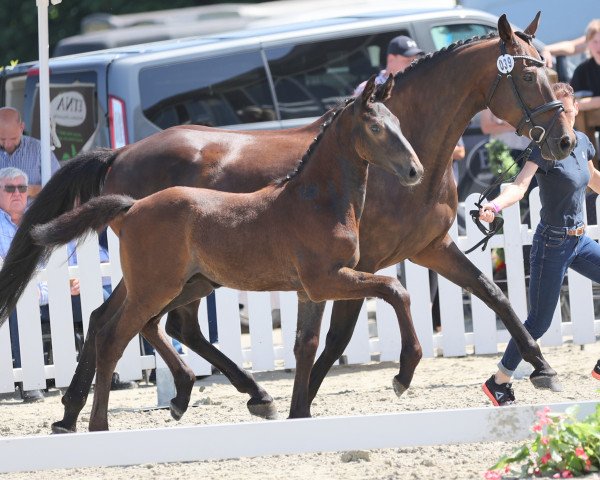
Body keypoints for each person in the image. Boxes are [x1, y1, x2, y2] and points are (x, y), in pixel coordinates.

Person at [478, 83, 600, 406]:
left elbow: (593, 178)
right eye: (556, 109)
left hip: (580, 240)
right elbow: (519, 187)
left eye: (567, 107)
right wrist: (494, 206)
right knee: (539, 321)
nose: (563, 113)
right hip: (552, 243)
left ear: (575, 107)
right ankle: (499, 381)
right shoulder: (544, 147)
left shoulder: (583, 142)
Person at [0, 167, 48, 402]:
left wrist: (52, 288)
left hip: (46, 292)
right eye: (9, 188)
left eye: (22, 188)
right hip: (10, 295)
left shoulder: (40, 221)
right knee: (20, 302)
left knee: (99, 294)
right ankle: (31, 382)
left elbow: (56, 263)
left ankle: (115, 373)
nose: (17, 193)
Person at [0, 107, 60, 198]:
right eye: (2, 139)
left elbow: (60, 186)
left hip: (32, 211)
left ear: (22, 128)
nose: (8, 144)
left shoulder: (40, 149)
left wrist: (32, 190)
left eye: (13, 138)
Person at [353, 34, 424, 95]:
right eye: (408, 60)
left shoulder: (418, 84)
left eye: (415, 60)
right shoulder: (367, 88)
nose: (413, 64)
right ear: (391, 59)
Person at [570, 19, 600, 111]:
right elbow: (572, 104)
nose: (599, 46)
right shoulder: (582, 71)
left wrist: (588, 103)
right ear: (587, 44)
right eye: (595, 42)